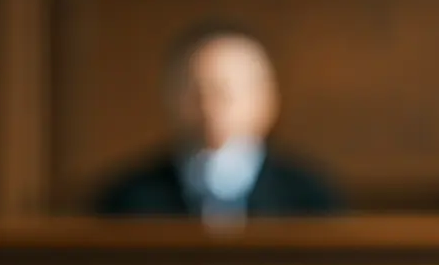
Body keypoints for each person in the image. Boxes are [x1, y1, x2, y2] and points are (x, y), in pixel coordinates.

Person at [96, 24, 341, 221]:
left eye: (227, 92)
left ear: (268, 100)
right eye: (198, 92)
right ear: (170, 97)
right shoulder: (127, 200)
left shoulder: (311, 198)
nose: (211, 106)